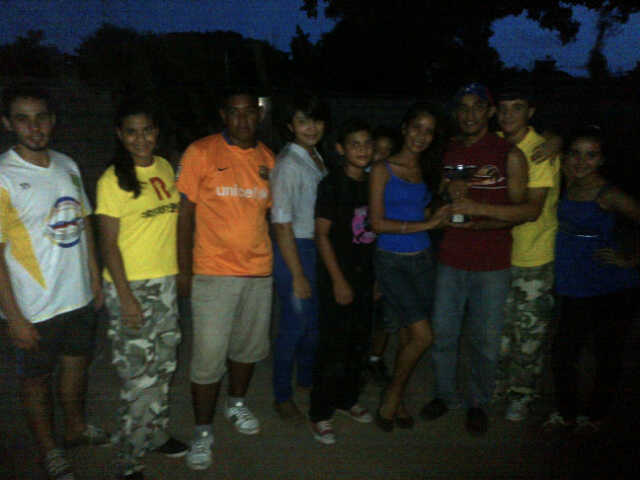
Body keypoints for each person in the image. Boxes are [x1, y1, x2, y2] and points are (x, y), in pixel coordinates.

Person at [0, 84, 108, 480]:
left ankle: (75, 428)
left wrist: (95, 279)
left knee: (76, 367)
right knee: (36, 380)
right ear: (8, 124)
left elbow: (84, 223)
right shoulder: (3, 176)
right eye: (23, 119)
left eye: (41, 117)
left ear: (53, 120)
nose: (35, 127)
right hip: (34, 306)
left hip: (77, 297)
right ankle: (49, 450)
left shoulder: (67, 164)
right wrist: (13, 316)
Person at [421, 83, 528, 435]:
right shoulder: (449, 149)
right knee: (444, 334)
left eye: (477, 107)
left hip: (492, 264)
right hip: (451, 258)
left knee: (485, 340)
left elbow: (520, 212)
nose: (469, 115)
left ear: (489, 112)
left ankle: (478, 402)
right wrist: (445, 196)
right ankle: (444, 394)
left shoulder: (509, 154)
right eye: (463, 108)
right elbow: (439, 199)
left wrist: (477, 216)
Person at [177, 87, 275, 471]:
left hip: (258, 273)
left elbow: (268, 215)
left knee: (247, 350)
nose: (243, 119)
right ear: (223, 115)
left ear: (259, 115)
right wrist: (184, 270)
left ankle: (236, 404)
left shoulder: (269, 160)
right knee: (207, 359)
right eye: (235, 112)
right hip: (213, 274)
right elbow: (185, 216)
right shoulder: (200, 152)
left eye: (249, 112)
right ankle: (203, 432)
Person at [450, 85, 561, 421]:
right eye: (504, 108)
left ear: (531, 112)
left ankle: (521, 394)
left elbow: (531, 211)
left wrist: (476, 210)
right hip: (498, 254)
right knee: (495, 331)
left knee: (528, 333)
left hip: (533, 256)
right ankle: (495, 385)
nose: (509, 114)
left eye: (518, 107)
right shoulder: (496, 141)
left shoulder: (539, 151)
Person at [95, 98, 187, 479]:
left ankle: (156, 434)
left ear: (156, 132)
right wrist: (126, 297)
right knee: (138, 378)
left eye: (147, 130)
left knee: (163, 366)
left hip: (164, 283)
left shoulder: (164, 167)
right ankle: (127, 458)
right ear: (120, 135)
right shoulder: (112, 180)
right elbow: (108, 244)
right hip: (130, 286)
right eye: (132, 132)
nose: (140, 138)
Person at [542, 126, 640, 436]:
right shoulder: (571, 181)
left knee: (607, 354)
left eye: (591, 155)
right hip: (575, 284)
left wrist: (631, 259)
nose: (581, 161)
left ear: (601, 160)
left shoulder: (608, 194)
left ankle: (596, 416)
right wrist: (556, 139)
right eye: (575, 153)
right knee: (563, 353)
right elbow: (549, 137)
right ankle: (567, 413)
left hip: (610, 285)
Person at [369, 103, 449, 432]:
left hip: (423, 260)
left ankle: (398, 399)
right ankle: (392, 394)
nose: (422, 136)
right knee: (423, 336)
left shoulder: (429, 170)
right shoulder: (382, 169)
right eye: (417, 127)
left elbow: (427, 210)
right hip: (392, 261)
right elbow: (376, 222)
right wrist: (425, 225)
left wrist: (440, 211)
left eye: (429, 131)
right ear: (404, 128)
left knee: (407, 334)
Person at [308, 119, 377, 444]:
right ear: (341, 149)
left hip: (366, 275)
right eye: (354, 144)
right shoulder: (332, 184)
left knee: (358, 343)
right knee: (333, 346)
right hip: (337, 275)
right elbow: (321, 235)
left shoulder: (373, 183)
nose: (362, 149)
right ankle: (320, 412)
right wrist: (338, 281)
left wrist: (376, 279)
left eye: (367, 143)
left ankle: (347, 399)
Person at [270, 93, 329, 421]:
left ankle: (306, 380)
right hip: (294, 249)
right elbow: (281, 224)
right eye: (303, 121)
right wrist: (297, 274)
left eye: (316, 120)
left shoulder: (316, 156)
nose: (311, 128)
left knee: (313, 326)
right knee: (294, 327)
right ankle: (282, 395)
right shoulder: (288, 165)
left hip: (316, 247)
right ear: (290, 125)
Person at [366, 126, 400, 386]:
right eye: (378, 149)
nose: (382, 155)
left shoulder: (394, 182)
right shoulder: (361, 179)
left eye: (389, 151)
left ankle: (375, 359)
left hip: (386, 255)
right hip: (361, 257)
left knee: (384, 315)